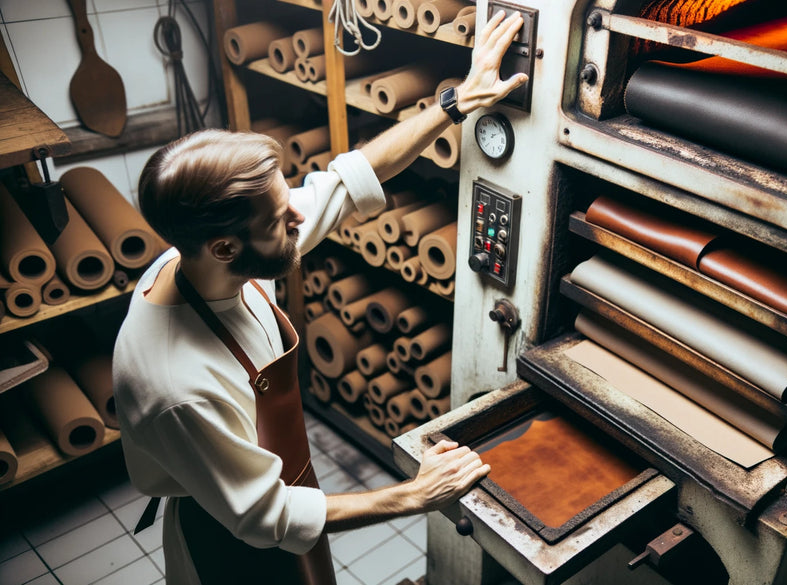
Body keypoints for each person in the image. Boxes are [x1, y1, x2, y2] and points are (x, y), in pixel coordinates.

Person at [111, 11, 528, 585]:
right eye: (282, 218)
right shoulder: (175, 384)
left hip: (284, 493)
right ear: (226, 247)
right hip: (227, 538)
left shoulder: (214, 263)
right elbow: (266, 517)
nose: (301, 215)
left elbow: (350, 178)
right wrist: (416, 495)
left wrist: (458, 101)